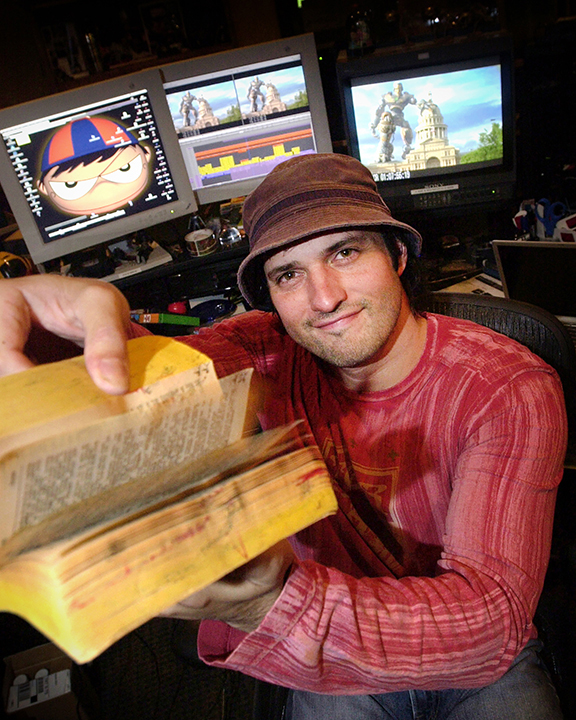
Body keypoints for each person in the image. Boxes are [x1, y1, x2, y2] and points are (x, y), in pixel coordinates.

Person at [0, 154, 567, 719]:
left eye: (345, 252)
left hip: (476, 662)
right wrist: (50, 337)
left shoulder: (508, 387)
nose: (324, 299)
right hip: (338, 653)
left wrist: (272, 607)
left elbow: (491, 623)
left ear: (396, 255)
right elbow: (134, 378)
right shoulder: (266, 347)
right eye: (288, 275)